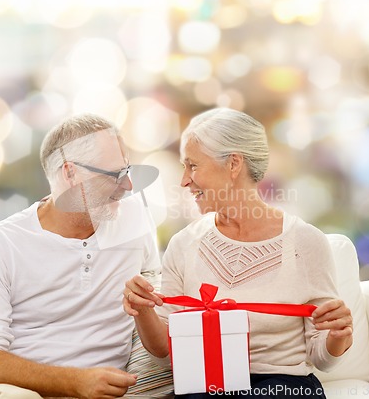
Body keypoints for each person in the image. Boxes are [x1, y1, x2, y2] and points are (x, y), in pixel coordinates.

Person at [123, 108, 353, 398]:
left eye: (193, 166)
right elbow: (165, 353)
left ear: (233, 164)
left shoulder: (305, 242)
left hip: (283, 387)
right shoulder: (184, 244)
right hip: (208, 386)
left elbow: (322, 357)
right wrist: (142, 310)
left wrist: (337, 335)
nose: (184, 180)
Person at [0, 113, 160, 399]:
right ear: (70, 173)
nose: (128, 185)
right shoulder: (1, 243)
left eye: (128, 170)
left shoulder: (134, 222)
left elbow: (161, 329)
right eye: (115, 174)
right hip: (17, 390)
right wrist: (75, 382)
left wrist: (144, 305)